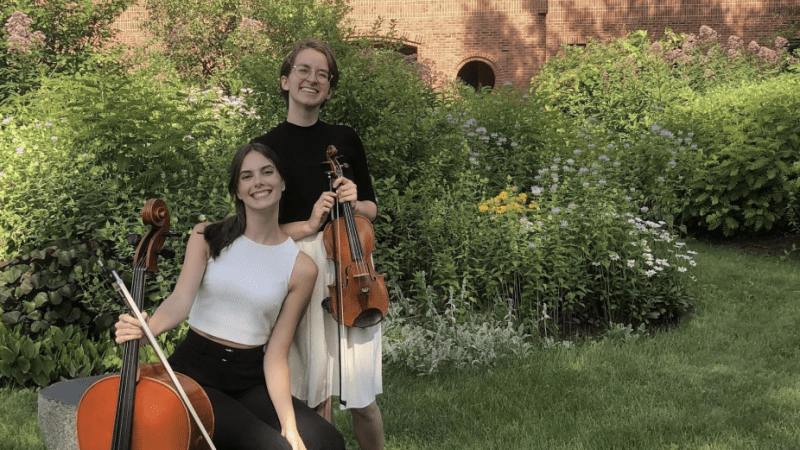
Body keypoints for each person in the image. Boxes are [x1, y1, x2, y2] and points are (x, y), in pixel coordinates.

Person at [114, 142, 345, 450]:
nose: (258, 182)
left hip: (250, 377)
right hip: (195, 372)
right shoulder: (207, 236)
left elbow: (276, 355)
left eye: (267, 172)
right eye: (247, 176)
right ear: (237, 190)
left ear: (282, 181)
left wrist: (290, 428)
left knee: (327, 442)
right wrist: (147, 330)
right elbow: (180, 302)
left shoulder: (302, 269)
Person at [251, 38, 384, 450]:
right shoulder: (267, 147)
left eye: (322, 74)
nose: (313, 79)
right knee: (315, 394)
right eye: (304, 70)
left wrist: (353, 199)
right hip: (301, 267)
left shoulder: (345, 139)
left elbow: (371, 210)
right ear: (285, 80)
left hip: (351, 264)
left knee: (362, 397)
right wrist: (309, 223)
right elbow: (259, 231)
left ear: (329, 87)